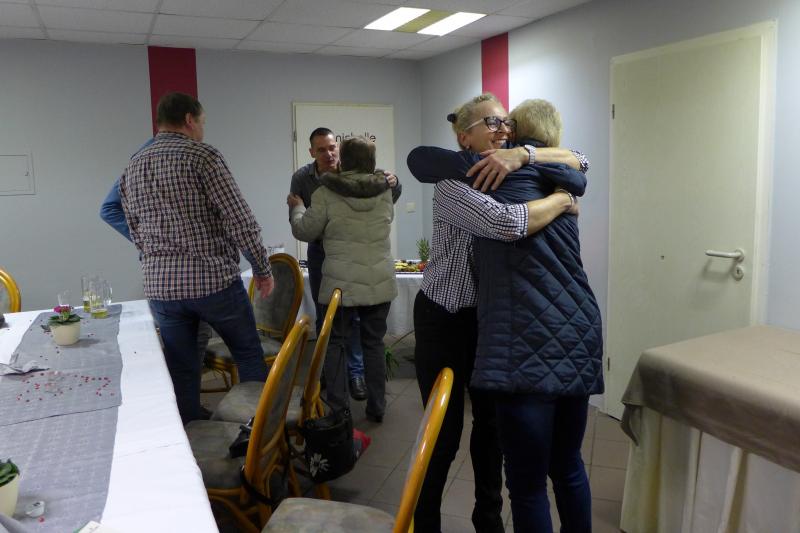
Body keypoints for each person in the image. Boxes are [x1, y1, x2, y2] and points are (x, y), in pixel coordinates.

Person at [408, 95, 602, 532]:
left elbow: (581, 159)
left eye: (505, 122)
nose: (503, 130)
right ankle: (425, 523)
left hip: (492, 320)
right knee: (442, 435)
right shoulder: (453, 183)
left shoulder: (517, 165)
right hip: (445, 317)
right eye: (491, 123)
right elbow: (505, 223)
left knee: (491, 433)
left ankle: (489, 522)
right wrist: (562, 199)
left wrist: (526, 155)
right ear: (465, 137)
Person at [119, 92, 273, 424]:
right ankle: (256, 433)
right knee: (247, 353)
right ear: (189, 119)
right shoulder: (203, 156)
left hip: (162, 288)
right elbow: (240, 220)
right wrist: (262, 268)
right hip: (212, 281)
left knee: (182, 366)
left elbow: (134, 226)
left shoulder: (133, 165)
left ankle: (190, 434)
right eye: (202, 122)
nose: (202, 129)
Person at [99, 139, 216, 418]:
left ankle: (187, 409)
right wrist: (146, 241)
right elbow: (109, 209)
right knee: (189, 342)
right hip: (176, 274)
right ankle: (186, 414)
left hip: (186, 271)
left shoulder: (176, 155)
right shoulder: (147, 157)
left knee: (194, 340)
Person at [288, 136, 396, 422]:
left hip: (340, 285)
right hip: (379, 281)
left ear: (343, 159)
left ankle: (339, 409)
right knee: (374, 343)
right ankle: (377, 406)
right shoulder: (385, 192)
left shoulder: (326, 193)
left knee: (335, 343)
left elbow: (304, 231)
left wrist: (297, 207)